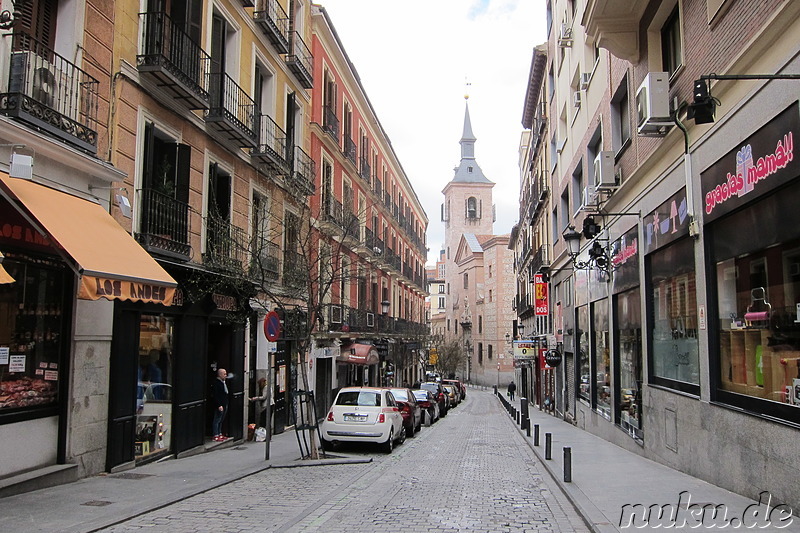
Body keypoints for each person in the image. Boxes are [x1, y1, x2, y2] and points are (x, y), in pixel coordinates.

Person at [211, 368, 229, 442]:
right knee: (217, 419)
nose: (226, 375)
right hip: (220, 404)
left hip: (224, 403)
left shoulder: (223, 382)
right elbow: (215, 395)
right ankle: (215, 434)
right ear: (220, 374)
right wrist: (219, 405)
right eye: (224, 374)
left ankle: (219, 433)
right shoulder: (217, 383)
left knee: (221, 420)